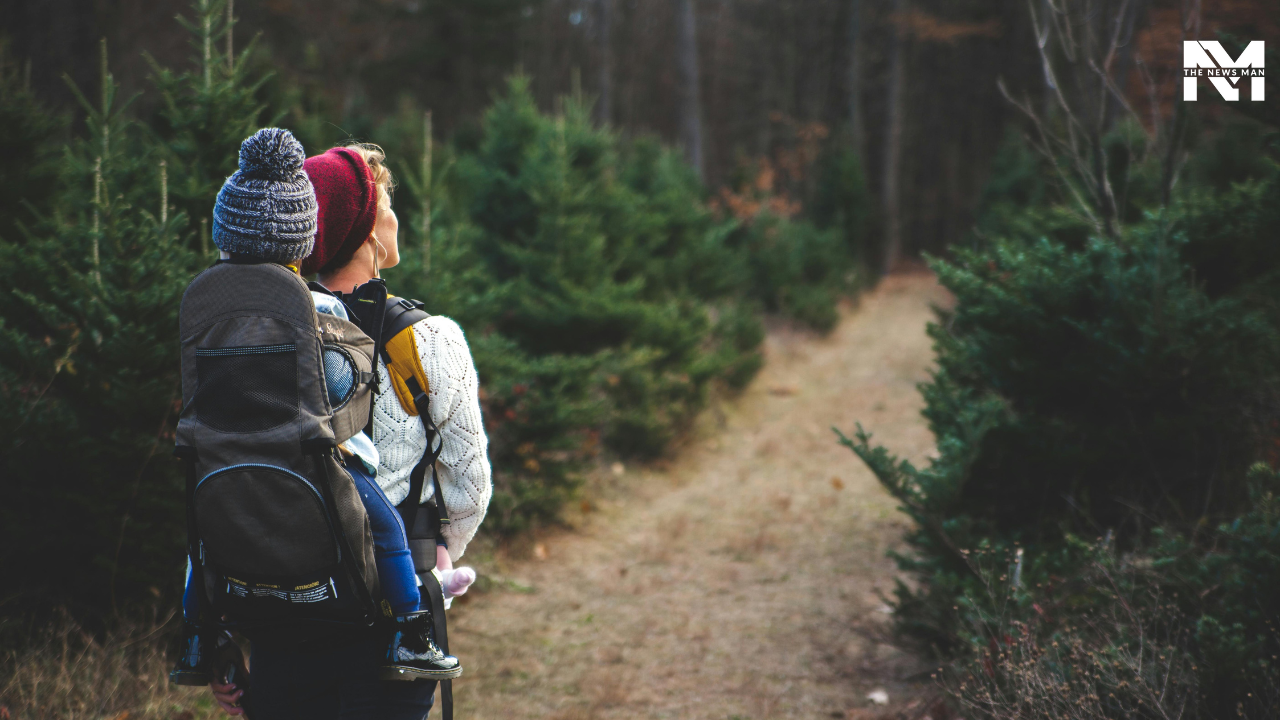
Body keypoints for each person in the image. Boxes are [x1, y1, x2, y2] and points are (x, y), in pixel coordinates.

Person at [207, 141, 492, 718]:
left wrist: (217, 626)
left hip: (283, 609)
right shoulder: (429, 339)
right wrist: (433, 559)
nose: (395, 216)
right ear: (365, 232)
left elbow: (223, 461)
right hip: (390, 624)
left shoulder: (260, 336)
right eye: (386, 204)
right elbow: (470, 485)